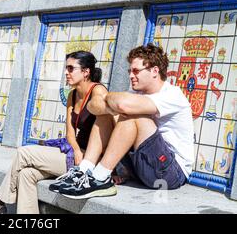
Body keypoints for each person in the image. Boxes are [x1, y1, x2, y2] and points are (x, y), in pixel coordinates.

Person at [0, 50, 114, 214]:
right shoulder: (72, 94)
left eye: (71, 68)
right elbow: (70, 132)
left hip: (89, 161)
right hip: (75, 154)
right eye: (66, 68)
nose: (66, 72)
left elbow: (106, 112)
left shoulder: (98, 91)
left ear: (86, 72)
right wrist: (76, 150)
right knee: (26, 174)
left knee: (24, 153)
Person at [58, 44, 194, 199]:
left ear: (155, 71)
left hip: (170, 172)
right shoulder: (136, 93)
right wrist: (109, 107)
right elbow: (92, 106)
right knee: (106, 114)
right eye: (130, 71)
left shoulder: (172, 95)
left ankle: (100, 177)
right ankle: (84, 170)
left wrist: (107, 99)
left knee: (132, 115)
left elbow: (123, 105)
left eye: (136, 71)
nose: (131, 76)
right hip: (141, 166)